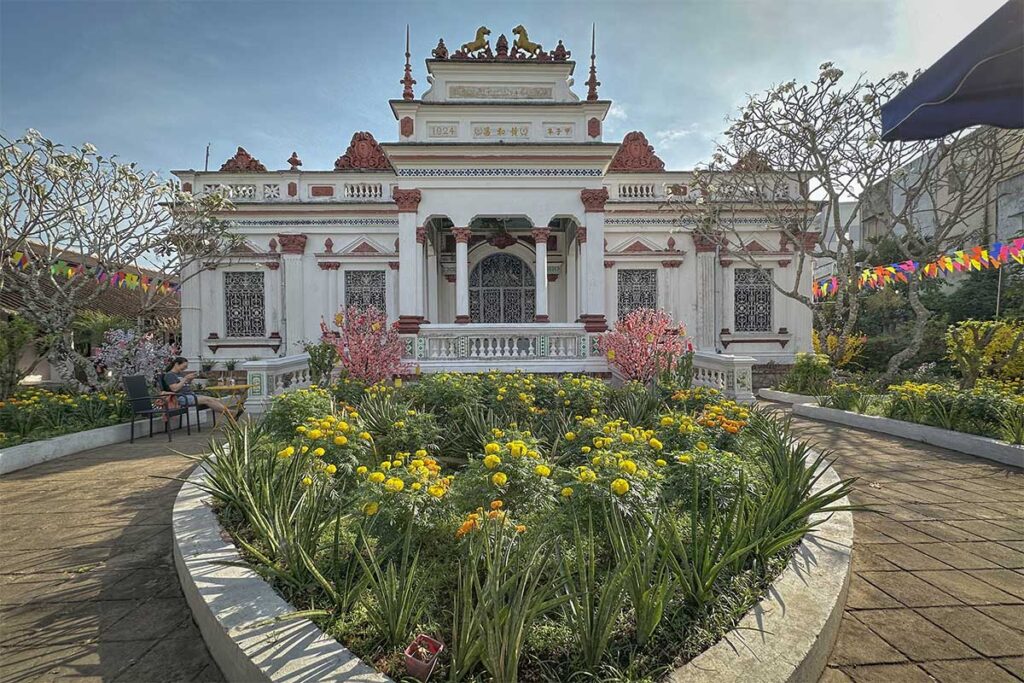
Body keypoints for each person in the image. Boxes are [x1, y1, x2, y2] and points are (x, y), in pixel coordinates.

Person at [162, 356, 241, 419]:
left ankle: (230, 414)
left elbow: (183, 385)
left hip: (190, 395)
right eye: (184, 366)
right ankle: (231, 413)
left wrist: (189, 380)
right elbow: (175, 389)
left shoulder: (180, 374)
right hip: (181, 397)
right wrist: (185, 378)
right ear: (176, 364)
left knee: (213, 399)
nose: (185, 368)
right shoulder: (170, 375)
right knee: (207, 400)